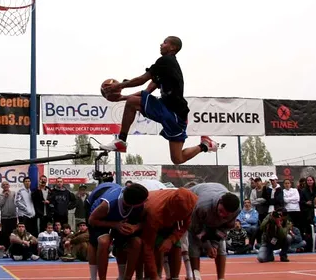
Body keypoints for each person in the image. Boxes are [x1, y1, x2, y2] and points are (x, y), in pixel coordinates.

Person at [100, 36, 218, 164]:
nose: (161, 44)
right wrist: (121, 98)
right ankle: (205, 145)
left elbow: (142, 79)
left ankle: (205, 145)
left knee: (177, 159)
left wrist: (118, 86)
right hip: (169, 110)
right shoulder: (164, 69)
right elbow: (146, 92)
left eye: (165, 42)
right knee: (132, 102)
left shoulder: (166, 61)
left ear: (173, 47)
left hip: (175, 114)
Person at [86, 182, 149, 280]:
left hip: (118, 212)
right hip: (96, 214)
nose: (147, 201)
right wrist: (115, 224)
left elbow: (146, 222)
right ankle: (97, 277)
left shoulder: (140, 205)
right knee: (103, 241)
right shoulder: (108, 204)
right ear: (135, 204)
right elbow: (92, 220)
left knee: (136, 242)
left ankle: (125, 277)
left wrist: (135, 227)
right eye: (144, 200)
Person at [140, 187, 198, 280]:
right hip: (146, 221)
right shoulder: (154, 212)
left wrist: (171, 239)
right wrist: (154, 275)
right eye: (178, 215)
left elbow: (185, 226)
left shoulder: (191, 205)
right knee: (157, 246)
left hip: (166, 221)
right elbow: (148, 246)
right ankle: (152, 275)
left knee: (176, 245)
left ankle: (174, 277)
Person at [187, 183, 240, 280]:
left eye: (226, 215)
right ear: (219, 202)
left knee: (221, 247)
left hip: (212, 217)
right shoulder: (202, 205)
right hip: (194, 211)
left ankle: (221, 278)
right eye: (221, 211)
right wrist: (207, 246)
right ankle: (196, 277)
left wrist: (214, 245)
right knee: (194, 245)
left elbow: (225, 229)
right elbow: (195, 228)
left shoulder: (236, 210)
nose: (222, 215)